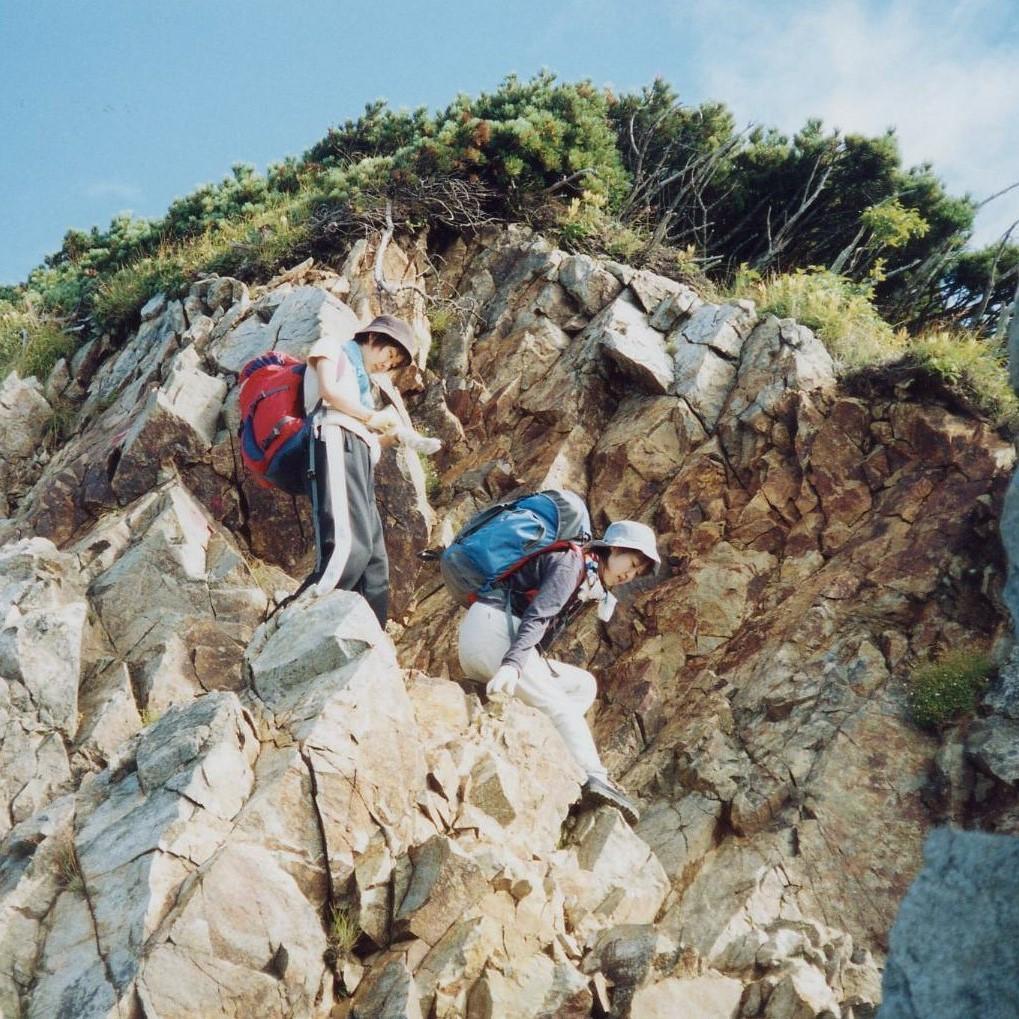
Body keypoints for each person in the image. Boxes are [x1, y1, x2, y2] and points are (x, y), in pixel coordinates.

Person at [456, 519, 661, 824]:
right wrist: (513, 664)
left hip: (491, 633)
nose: (629, 575)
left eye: (636, 573)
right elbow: (538, 617)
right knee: (560, 707)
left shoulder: (587, 577)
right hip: (493, 633)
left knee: (582, 685)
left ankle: (546, 744)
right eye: (630, 563)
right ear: (614, 548)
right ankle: (595, 777)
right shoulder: (571, 563)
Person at [302, 313, 417, 626]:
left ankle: (371, 633)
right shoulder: (332, 347)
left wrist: (390, 437)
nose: (387, 365)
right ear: (371, 337)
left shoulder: (363, 388)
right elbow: (328, 391)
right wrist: (371, 417)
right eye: (389, 354)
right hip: (335, 438)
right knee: (348, 545)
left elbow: (369, 441)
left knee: (373, 557)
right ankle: (300, 616)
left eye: (394, 364)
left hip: (358, 453)